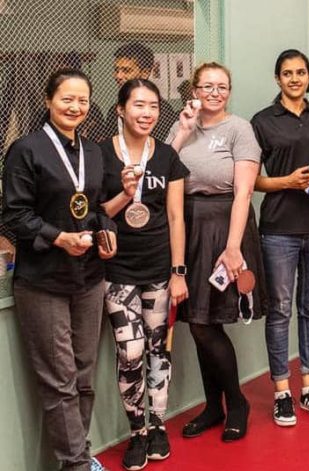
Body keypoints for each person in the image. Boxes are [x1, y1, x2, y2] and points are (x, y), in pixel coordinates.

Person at [3, 68, 116, 471]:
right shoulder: (26, 150)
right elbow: (13, 216)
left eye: (83, 100)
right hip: (43, 282)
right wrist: (59, 237)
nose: (76, 106)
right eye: (67, 98)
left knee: (84, 377)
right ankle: (77, 466)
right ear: (50, 101)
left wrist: (106, 231)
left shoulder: (94, 152)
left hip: (88, 279)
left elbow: (99, 207)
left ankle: (78, 456)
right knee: (60, 381)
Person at [167, 62, 267, 442]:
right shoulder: (184, 127)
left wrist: (232, 246)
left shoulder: (240, 129)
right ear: (194, 89)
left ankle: (236, 403)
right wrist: (182, 131)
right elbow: (161, 170)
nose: (214, 92)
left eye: (221, 86)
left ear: (229, 91)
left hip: (226, 226)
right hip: (188, 227)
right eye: (206, 86)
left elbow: (244, 192)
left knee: (209, 322)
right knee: (197, 321)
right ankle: (213, 406)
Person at [99, 78, 189, 470]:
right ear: (121, 109)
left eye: (153, 105)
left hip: (158, 269)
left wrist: (178, 272)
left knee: (158, 349)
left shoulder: (168, 156)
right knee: (130, 352)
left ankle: (158, 427)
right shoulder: (101, 155)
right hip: (117, 270)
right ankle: (136, 430)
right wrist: (124, 191)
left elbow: (175, 217)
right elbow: (99, 213)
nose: (146, 113)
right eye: (138, 105)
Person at [251, 49, 309, 427]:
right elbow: (253, 179)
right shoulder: (262, 121)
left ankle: (308, 387)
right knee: (279, 311)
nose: (294, 78)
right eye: (287, 73)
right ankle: (281, 392)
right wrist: (287, 182)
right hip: (278, 231)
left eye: (301, 72)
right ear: (277, 79)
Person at [104, 43, 176, 142]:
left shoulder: (162, 110)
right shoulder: (113, 111)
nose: (118, 76)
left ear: (145, 73)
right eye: (116, 70)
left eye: (126, 70)